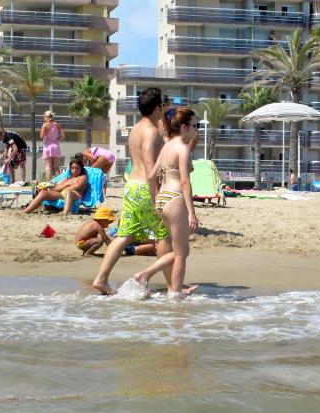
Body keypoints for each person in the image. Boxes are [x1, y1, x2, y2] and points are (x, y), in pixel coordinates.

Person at [92, 88, 172, 294]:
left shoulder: (136, 128)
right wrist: (157, 195)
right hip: (146, 187)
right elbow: (148, 162)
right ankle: (174, 286)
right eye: (161, 105)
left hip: (131, 187)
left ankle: (101, 279)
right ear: (156, 108)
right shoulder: (151, 130)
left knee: (125, 235)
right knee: (162, 236)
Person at [131, 107, 201, 298]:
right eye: (195, 125)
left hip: (163, 199)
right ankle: (175, 294)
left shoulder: (166, 147)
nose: (197, 129)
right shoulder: (183, 148)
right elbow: (185, 182)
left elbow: (151, 176)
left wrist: (155, 201)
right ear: (185, 127)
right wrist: (192, 212)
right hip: (176, 199)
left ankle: (147, 275)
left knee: (181, 251)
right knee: (181, 254)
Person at [22, 159, 89, 215]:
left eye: (77, 168)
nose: (74, 170)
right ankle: (26, 211)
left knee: (69, 192)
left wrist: (64, 186)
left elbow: (77, 187)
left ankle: (64, 214)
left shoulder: (83, 177)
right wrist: (66, 184)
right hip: (62, 194)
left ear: (81, 169)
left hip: (75, 196)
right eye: (73, 168)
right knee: (43, 192)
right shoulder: (67, 178)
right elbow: (56, 188)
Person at [39, 110, 64, 182]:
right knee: (56, 167)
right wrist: (57, 139)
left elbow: (41, 136)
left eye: (44, 116)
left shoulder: (45, 125)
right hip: (56, 146)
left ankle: (49, 182)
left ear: (47, 117)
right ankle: (59, 182)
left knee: (48, 166)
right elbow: (63, 136)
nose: (43, 118)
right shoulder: (58, 125)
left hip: (48, 146)